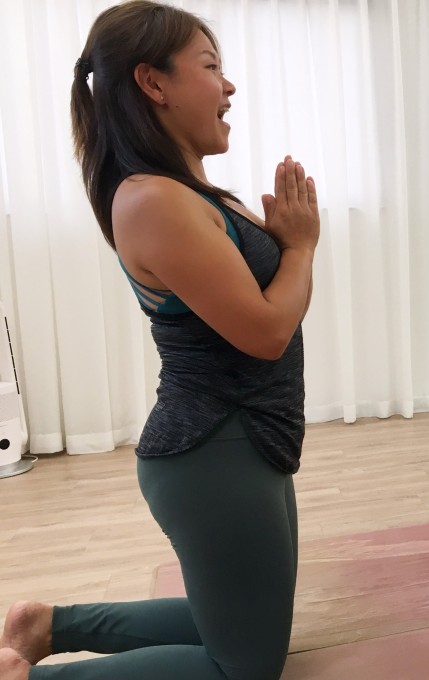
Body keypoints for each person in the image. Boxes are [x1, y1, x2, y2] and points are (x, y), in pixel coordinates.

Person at [0, 2, 318, 679]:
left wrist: (292, 250)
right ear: (153, 82)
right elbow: (266, 332)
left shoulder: (190, 192)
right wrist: (301, 247)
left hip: (245, 438)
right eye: (211, 68)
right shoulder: (153, 201)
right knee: (244, 669)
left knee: (248, 627)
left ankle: (47, 625)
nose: (229, 87)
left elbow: (273, 312)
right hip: (214, 450)